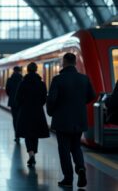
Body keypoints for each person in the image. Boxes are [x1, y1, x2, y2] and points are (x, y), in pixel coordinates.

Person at [47, 53, 96, 188]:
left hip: (62, 121)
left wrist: (50, 112)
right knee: (76, 147)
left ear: (64, 62)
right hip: (79, 119)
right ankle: (80, 168)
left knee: (64, 149)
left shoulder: (58, 79)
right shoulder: (84, 79)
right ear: (74, 63)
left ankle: (68, 178)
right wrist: (80, 104)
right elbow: (92, 95)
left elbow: (51, 99)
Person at [15, 62, 49, 167]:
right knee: (35, 133)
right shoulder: (41, 83)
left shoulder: (23, 83)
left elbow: (17, 98)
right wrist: (38, 105)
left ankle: (31, 153)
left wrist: (23, 105)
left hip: (25, 111)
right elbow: (44, 98)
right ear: (36, 70)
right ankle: (34, 151)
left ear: (28, 70)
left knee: (27, 134)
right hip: (38, 111)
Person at [5, 66, 23, 143]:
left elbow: (7, 90)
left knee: (15, 118)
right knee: (20, 118)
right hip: (21, 102)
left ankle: (17, 135)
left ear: (13, 71)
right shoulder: (22, 79)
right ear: (19, 71)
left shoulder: (10, 79)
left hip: (13, 101)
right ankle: (20, 133)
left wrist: (12, 96)